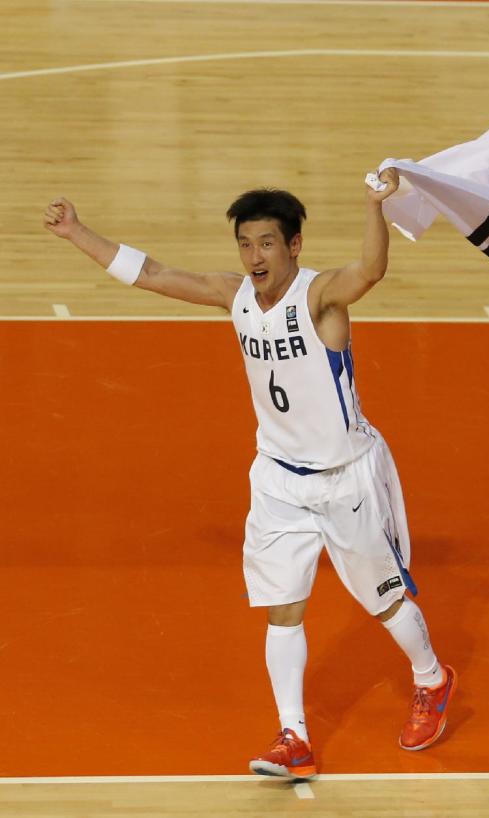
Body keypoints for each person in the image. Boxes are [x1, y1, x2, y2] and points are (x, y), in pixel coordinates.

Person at [42, 171, 456, 780]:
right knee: (281, 607)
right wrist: (78, 232)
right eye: (245, 243)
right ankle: (294, 737)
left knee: (384, 602)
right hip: (277, 480)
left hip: (345, 476)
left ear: (294, 246)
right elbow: (155, 273)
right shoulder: (234, 296)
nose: (254, 256)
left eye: (266, 243)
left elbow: (369, 271)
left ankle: (432, 679)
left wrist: (373, 206)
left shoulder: (320, 299)